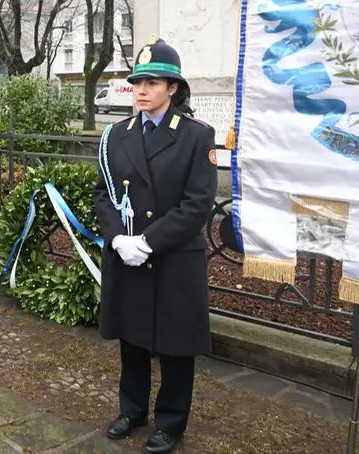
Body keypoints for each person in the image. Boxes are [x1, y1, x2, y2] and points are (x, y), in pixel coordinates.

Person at [93, 37, 217, 454]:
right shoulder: (118, 134)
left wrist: (148, 240)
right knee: (133, 339)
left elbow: (198, 203)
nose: (141, 89)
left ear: (173, 88)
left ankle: (171, 421)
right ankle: (132, 410)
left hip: (172, 257)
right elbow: (102, 195)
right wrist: (118, 238)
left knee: (175, 345)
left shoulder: (196, 136)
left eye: (153, 81)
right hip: (128, 254)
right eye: (138, 81)